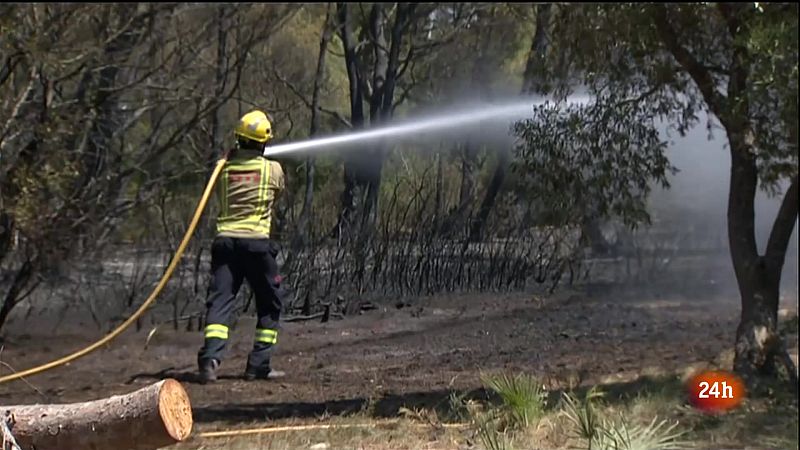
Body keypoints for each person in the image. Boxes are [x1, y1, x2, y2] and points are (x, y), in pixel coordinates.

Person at [197, 110, 287, 383]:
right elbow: (279, 194)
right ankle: (258, 365)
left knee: (220, 302)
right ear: (263, 143)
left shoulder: (221, 169)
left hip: (225, 244)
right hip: (257, 245)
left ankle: (210, 360)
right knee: (270, 304)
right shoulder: (272, 170)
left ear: (238, 139)